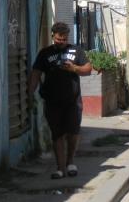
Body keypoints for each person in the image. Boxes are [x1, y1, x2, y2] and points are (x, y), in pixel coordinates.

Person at [28, 22, 93, 179]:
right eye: (58, 39)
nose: (61, 42)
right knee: (57, 134)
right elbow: (36, 73)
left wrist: (75, 68)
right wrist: (30, 94)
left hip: (72, 101)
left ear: (67, 37)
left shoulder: (76, 51)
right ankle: (60, 168)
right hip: (52, 100)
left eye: (63, 39)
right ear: (53, 36)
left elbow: (88, 69)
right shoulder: (44, 53)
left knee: (72, 132)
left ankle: (70, 161)